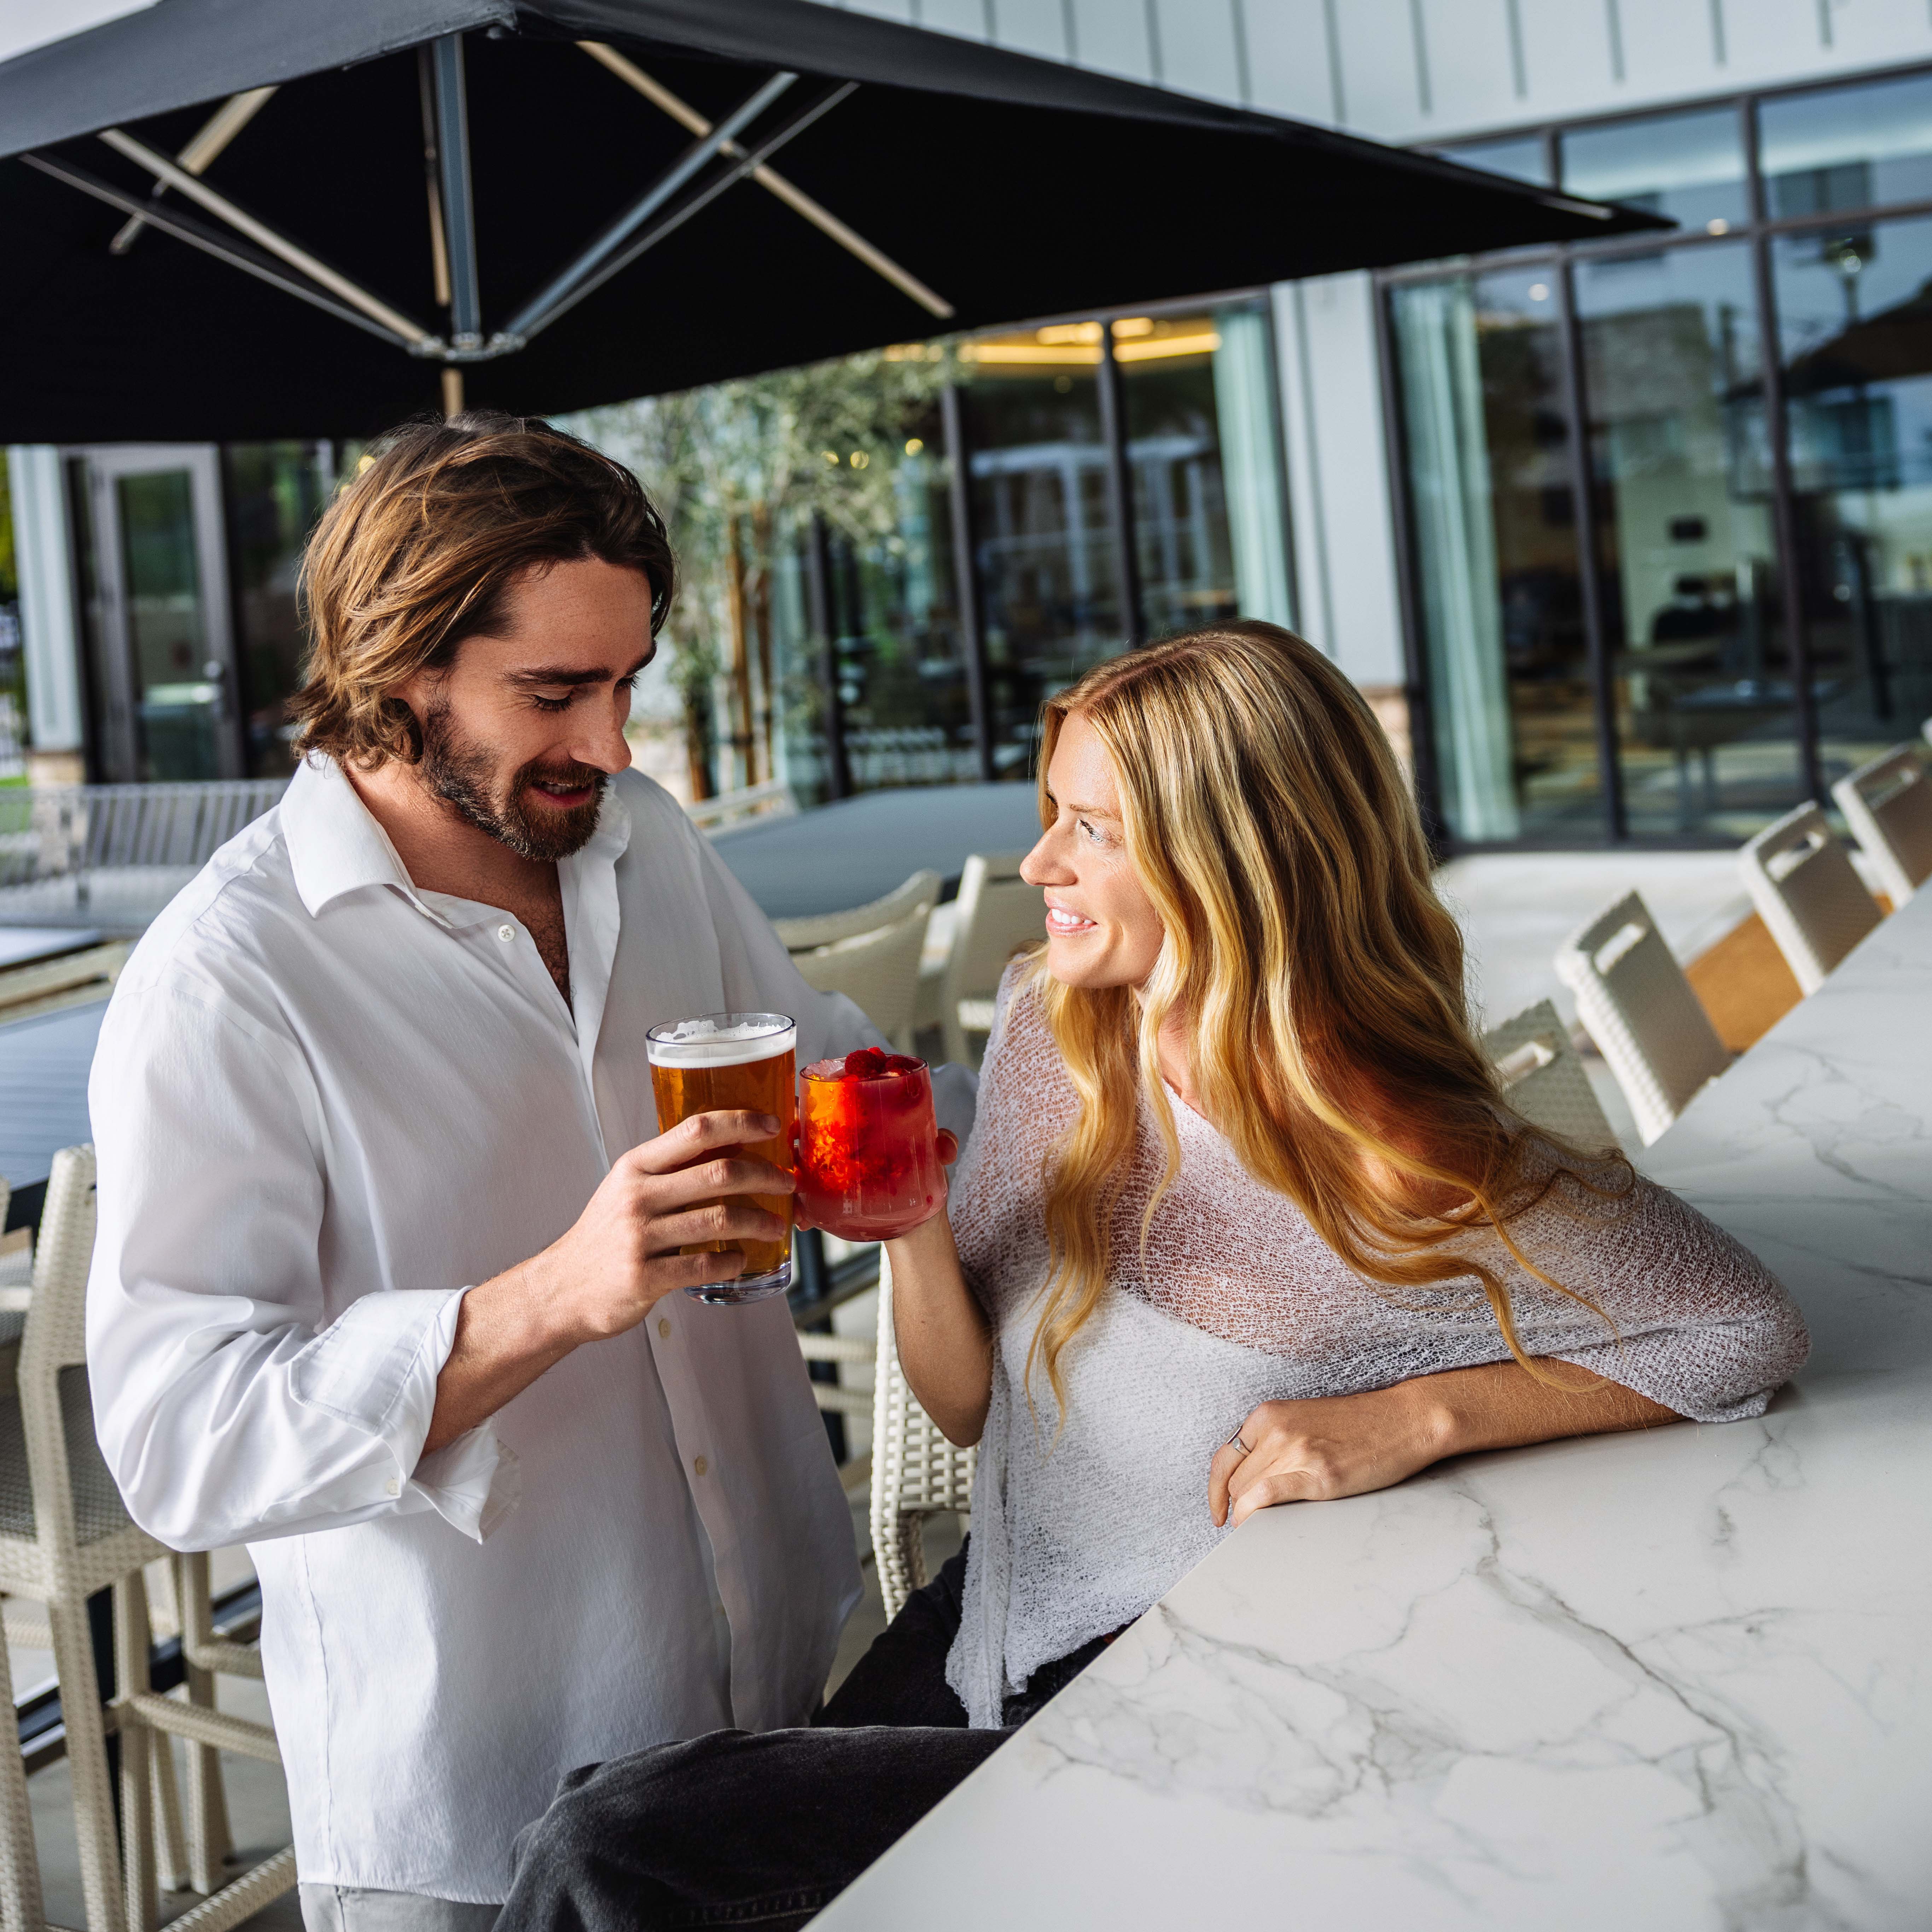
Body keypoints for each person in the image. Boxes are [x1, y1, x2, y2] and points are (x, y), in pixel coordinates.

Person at [500, 622, 1808, 1932]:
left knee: (616, 1847)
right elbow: (969, 1413)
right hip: (993, 1629)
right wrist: (912, 1228)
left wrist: (1416, 1416)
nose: (1040, 863)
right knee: (621, 1838)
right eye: (1052, 814)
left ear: (1238, 861)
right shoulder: (1050, 1030)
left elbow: (1738, 1325)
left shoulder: (1391, 1146)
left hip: (1201, 1694)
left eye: (1094, 829)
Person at [84, 412, 971, 1929]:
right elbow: (181, 1443)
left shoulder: (645, 841)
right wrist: (552, 1296)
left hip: (762, 1686)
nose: (613, 745)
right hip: (477, 1795)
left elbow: (839, 1077)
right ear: (396, 665)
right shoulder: (230, 977)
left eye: (626, 683)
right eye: (555, 692)